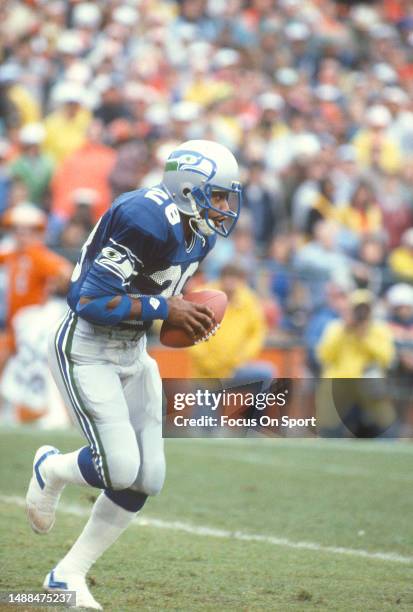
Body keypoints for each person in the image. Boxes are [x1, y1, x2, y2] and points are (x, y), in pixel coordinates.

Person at [25, 139, 242, 609]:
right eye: (219, 196)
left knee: (148, 479)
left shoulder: (199, 233)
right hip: (87, 347)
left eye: (228, 197)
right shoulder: (143, 216)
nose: (225, 208)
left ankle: (68, 575)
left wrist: (181, 316)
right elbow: (89, 301)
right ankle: (51, 467)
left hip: (133, 351)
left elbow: (156, 307)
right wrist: (169, 307)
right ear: (189, 189)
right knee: (118, 468)